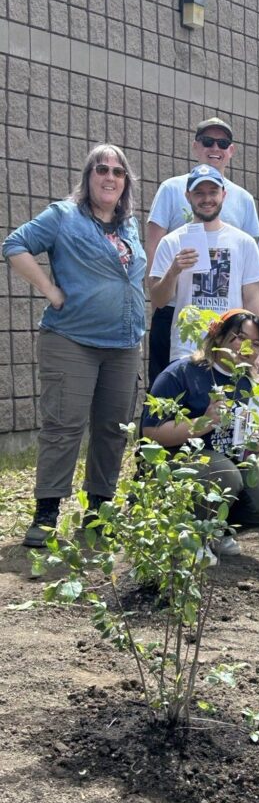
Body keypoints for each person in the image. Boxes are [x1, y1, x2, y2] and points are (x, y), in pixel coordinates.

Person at [2, 143, 146, 547]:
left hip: (123, 344)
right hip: (72, 341)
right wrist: (50, 289)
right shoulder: (63, 216)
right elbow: (15, 245)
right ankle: (46, 514)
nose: (110, 177)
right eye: (102, 169)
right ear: (88, 177)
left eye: (118, 172)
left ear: (125, 183)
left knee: (113, 429)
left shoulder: (128, 225)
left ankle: (99, 510)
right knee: (63, 426)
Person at [142, 309, 259, 554]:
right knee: (226, 473)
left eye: (256, 344)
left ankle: (219, 529)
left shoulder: (252, 382)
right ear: (219, 335)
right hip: (181, 458)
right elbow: (150, 431)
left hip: (233, 458)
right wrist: (203, 423)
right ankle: (193, 536)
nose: (247, 348)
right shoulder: (182, 372)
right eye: (240, 338)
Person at [145, 117, 259, 384]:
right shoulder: (173, 239)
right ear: (188, 197)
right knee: (177, 417)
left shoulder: (243, 240)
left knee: (231, 420)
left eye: (213, 192)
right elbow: (158, 298)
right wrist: (173, 270)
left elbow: (252, 296)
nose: (207, 198)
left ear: (224, 195)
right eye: (199, 193)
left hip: (231, 348)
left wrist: (256, 347)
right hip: (185, 347)